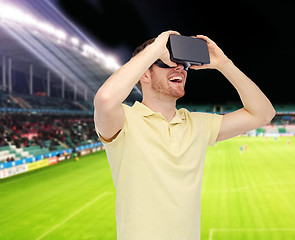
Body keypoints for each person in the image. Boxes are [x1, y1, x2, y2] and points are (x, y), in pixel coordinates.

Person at [93, 30, 275, 240]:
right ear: (144, 73)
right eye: (167, 62)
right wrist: (155, 49)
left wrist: (224, 64)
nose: (180, 67)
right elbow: (105, 99)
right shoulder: (124, 121)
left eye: (183, 64)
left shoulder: (197, 124)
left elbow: (263, 113)